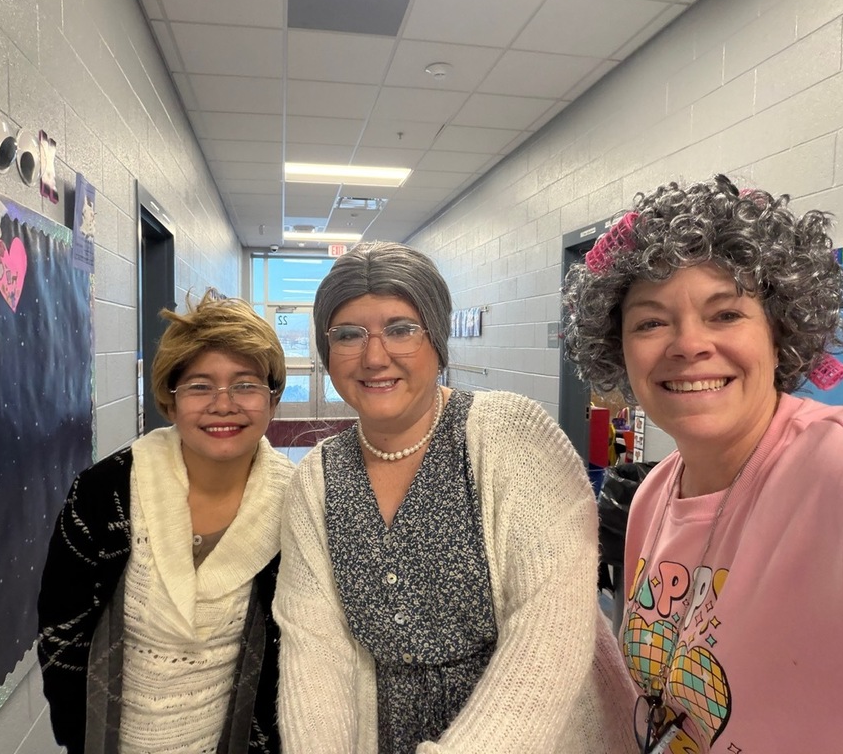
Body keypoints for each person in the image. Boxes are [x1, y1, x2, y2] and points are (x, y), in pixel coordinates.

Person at [561, 175, 843, 753]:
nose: (688, 344)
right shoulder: (655, 495)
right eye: (650, 322)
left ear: (778, 330)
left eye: (725, 314)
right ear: (619, 349)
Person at [274, 241, 637, 753]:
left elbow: (549, 631)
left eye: (401, 329)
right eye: (348, 335)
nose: (375, 356)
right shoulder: (318, 480)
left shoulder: (514, 436)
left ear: (438, 342)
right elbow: (315, 651)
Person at [37, 295, 293, 753]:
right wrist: (79, 740)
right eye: (199, 386)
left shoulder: (299, 505)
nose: (223, 405)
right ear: (169, 402)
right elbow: (62, 635)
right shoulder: (104, 493)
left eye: (245, 385)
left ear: (272, 399)